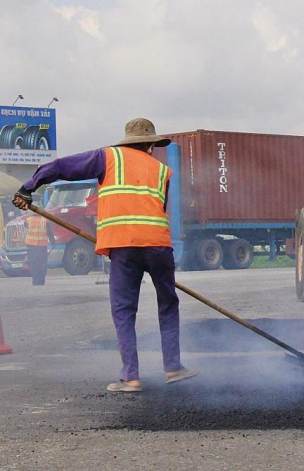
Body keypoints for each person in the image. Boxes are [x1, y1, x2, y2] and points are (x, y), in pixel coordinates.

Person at [13, 118, 197, 392]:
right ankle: (173, 368)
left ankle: (131, 377)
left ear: (128, 141)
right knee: (168, 304)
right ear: (151, 145)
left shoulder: (108, 158)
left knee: (124, 309)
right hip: (158, 245)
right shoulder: (163, 171)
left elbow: (62, 167)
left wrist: (29, 187)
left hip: (123, 246)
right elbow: (158, 208)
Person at [25, 213, 50, 286]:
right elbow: (49, 231)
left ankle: (35, 280)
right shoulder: (45, 220)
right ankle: (41, 280)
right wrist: (53, 241)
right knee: (42, 264)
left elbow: (25, 226)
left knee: (34, 264)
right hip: (42, 246)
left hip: (31, 246)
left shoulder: (28, 220)